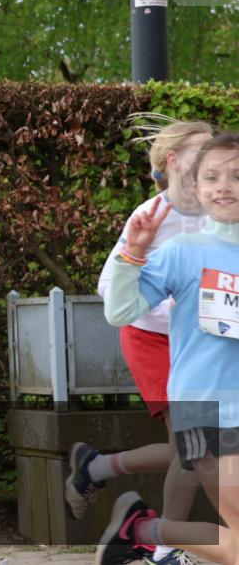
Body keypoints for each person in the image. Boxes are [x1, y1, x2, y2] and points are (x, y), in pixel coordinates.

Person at [70, 121, 213, 565]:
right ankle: (164, 545)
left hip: (201, 342)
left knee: (184, 449)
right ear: (173, 162)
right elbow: (110, 285)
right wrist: (171, 303)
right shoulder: (152, 216)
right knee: (197, 444)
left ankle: (98, 474)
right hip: (151, 338)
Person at [96, 133, 239, 565]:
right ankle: (146, 529)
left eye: (236, 175)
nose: (224, 186)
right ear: (195, 187)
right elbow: (120, 311)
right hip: (204, 411)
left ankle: (141, 527)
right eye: (211, 176)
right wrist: (132, 256)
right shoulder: (183, 250)